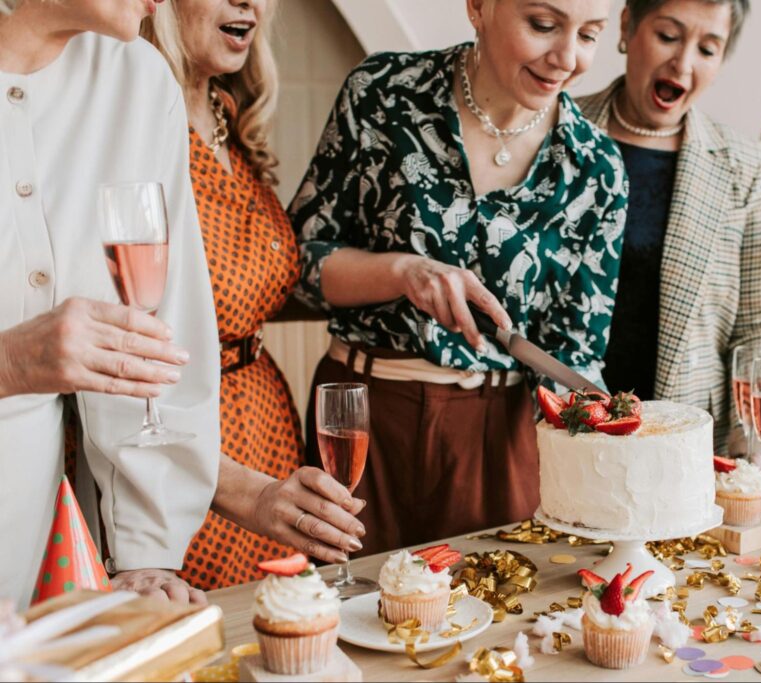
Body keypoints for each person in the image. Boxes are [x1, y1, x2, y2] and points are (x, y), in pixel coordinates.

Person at [290, 0, 627, 555]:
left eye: (589, 35)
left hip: (500, 441)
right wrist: (403, 272)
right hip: (364, 420)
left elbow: (577, 361)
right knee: (347, 619)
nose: (567, 58)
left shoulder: (597, 169)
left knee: (492, 631)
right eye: (543, 25)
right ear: (478, 7)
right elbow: (299, 265)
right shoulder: (381, 93)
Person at [0, 0, 220, 607]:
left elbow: (158, 330)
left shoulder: (137, 81)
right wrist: (11, 363)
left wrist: (146, 551)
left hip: (35, 547)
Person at [142, 0, 366, 590]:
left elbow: (249, 286)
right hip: (181, 436)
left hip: (266, 424)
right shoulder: (133, 121)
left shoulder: (224, 112)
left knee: (282, 630)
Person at [577, 0, 761, 493]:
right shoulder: (557, 129)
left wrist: (755, 444)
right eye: (669, 36)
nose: (683, 64)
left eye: (707, 48)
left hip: (686, 447)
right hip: (563, 432)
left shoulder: (743, 163)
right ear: (627, 25)